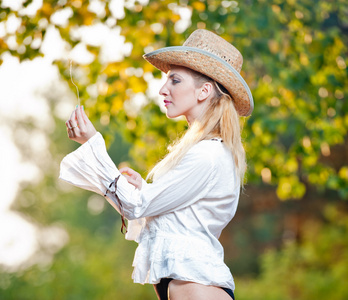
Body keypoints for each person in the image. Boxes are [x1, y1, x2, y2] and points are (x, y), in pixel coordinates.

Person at [60, 29, 253, 300]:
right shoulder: (201, 150)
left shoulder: (208, 154)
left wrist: (93, 144)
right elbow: (146, 209)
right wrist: (143, 189)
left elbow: (136, 206)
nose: (163, 89)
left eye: (175, 80)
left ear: (204, 90)